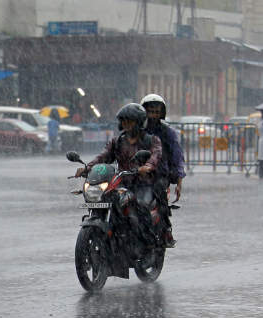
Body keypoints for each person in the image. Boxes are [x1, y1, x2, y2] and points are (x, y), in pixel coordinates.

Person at [75, 103, 162, 243]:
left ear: (139, 122)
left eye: (130, 120)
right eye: (123, 120)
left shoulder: (151, 140)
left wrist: (147, 166)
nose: (126, 124)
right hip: (121, 183)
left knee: (142, 209)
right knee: (106, 201)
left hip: (143, 184)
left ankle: (149, 244)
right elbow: (103, 157)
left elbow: (155, 156)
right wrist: (88, 168)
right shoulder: (117, 141)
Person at [141, 93, 185, 247]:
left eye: (156, 111)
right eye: (150, 111)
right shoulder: (136, 131)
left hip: (159, 175)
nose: (153, 115)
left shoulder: (168, 133)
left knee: (159, 192)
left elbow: (177, 157)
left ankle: (166, 229)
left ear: (161, 113)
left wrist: (179, 181)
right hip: (137, 174)